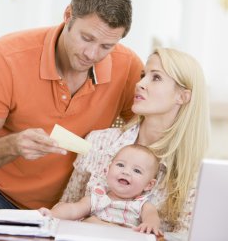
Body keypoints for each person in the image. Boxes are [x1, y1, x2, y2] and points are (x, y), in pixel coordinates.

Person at [0, 0, 143, 210]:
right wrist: (13, 145)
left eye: (106, 46)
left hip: (65, 205)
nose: (92, 54)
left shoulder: (127, 67)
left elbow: (147, 131)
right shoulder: (4, 57)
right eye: (86, 38)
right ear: (68, 15)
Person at [59, 47, 211, 241]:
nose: (140, 83)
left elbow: (186, 237)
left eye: (155, 78)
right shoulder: (99, 141)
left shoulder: (195, 172)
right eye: (143, 75)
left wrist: (105, 229)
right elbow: (63, 213)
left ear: (182, 97)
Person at [39, 144, 163, 236]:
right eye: (120, 165)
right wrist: (53, 214)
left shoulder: (142, 205)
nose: (125, 172)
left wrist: (150, 225)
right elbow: (74, 209)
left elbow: (152, 217)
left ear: (149, 185)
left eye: (137, 171)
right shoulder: (97, 196)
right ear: (107, 170)